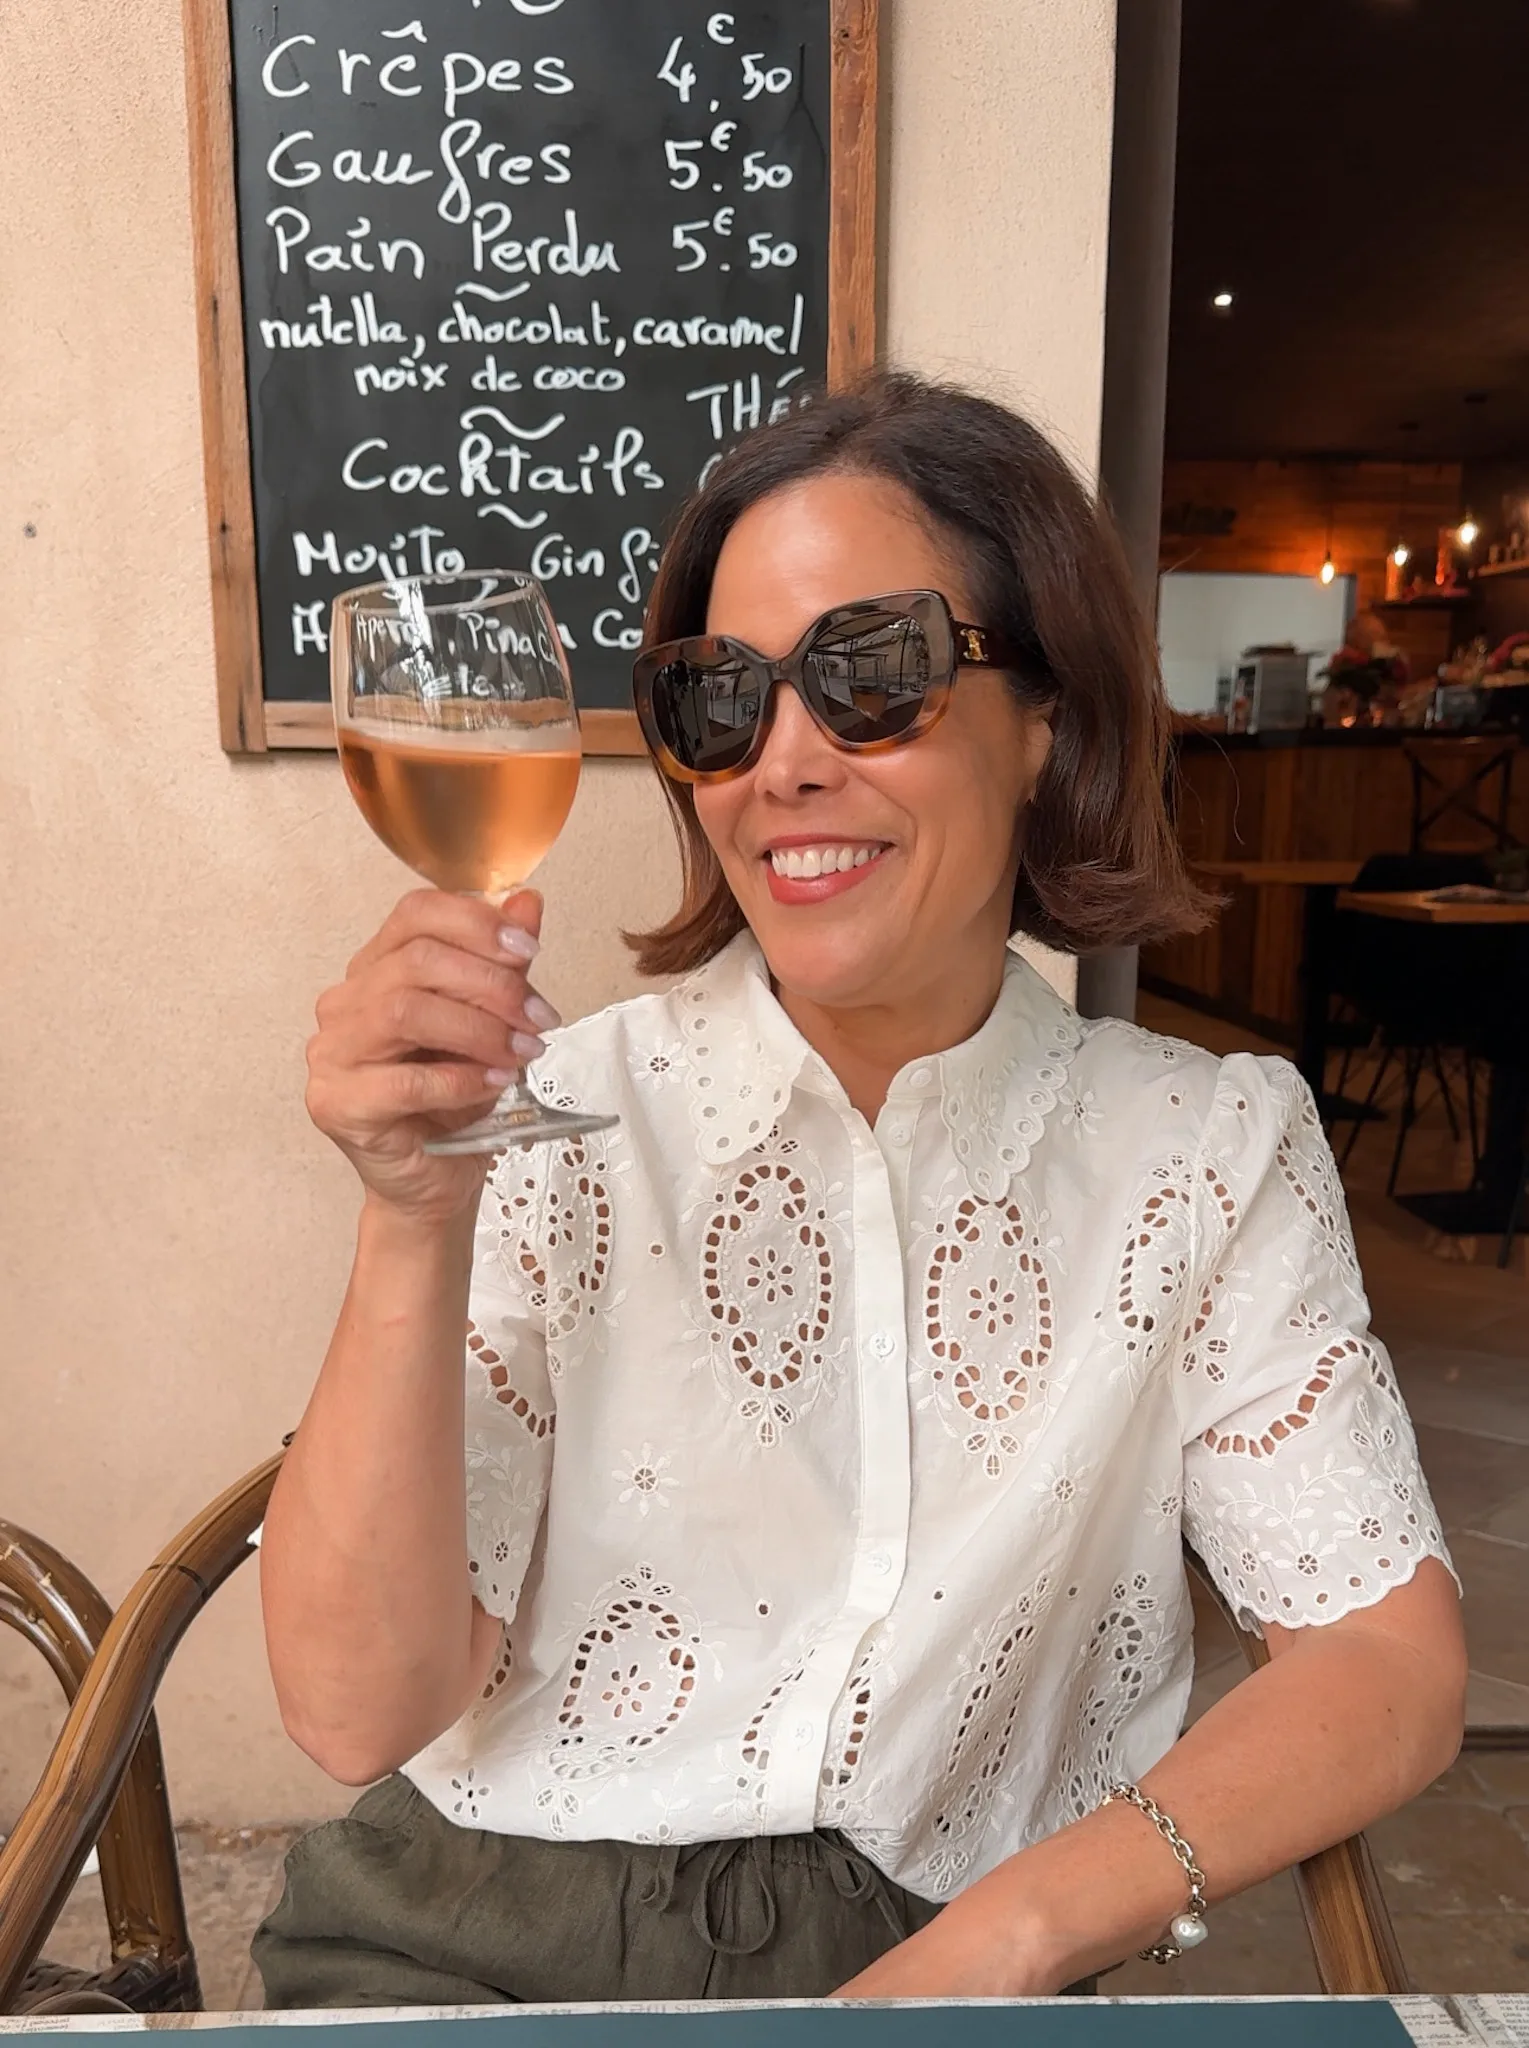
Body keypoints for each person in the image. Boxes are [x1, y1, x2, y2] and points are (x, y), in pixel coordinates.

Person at [254, 373, 1465, 2006]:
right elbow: (355, 1712)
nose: (785, 762)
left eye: (872, 674)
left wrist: (1033, 1923)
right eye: (719, 700)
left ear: (1053, 715)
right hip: (471, 1946)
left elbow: (1384, 1654)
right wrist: (412, 1213)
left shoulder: (1210, 1150)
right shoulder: (563, 1118)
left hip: (942, 1944)